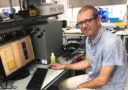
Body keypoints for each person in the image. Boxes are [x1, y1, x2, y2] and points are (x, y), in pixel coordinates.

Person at [49, 5, 128, 90]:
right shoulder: (89, 39)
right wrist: (64, 66)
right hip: (96, 77)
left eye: (87, 21)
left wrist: (81, 86)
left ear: (98, 20)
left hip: (110, 86)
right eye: (80, 23)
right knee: (63, 85)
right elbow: (88, 62)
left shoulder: (111, 42)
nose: (84, 26)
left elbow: (102, 80)